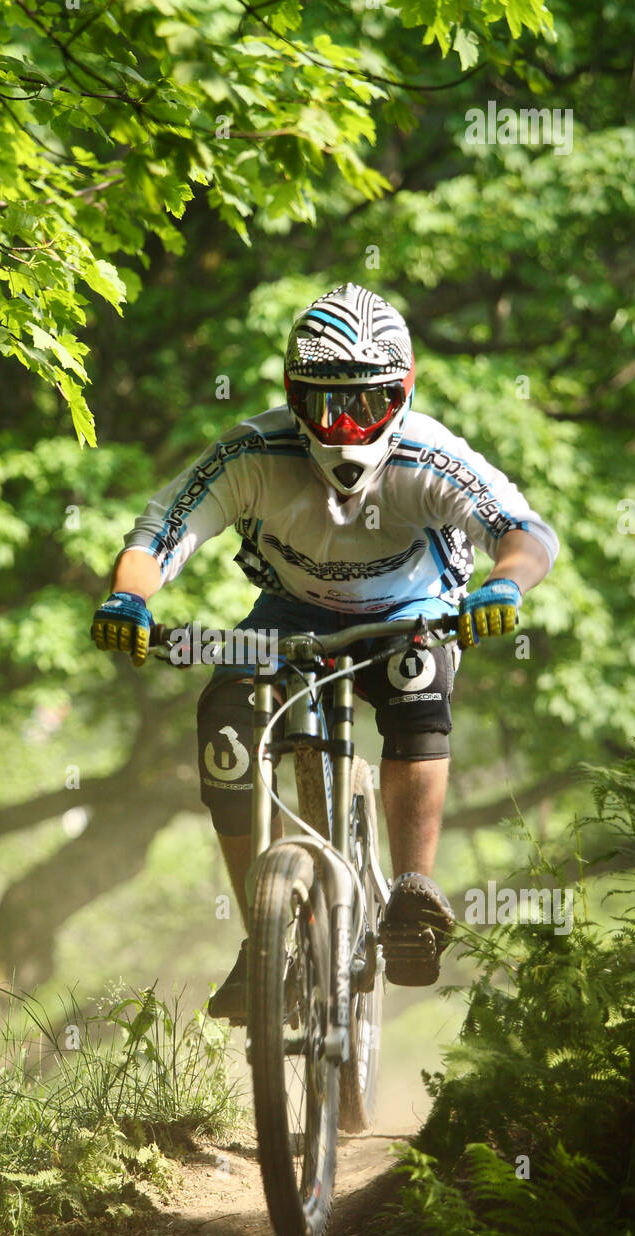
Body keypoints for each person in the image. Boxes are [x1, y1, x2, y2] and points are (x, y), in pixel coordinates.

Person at [91, 284, 559, 1022]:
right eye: (323, 406)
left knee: (417, 683)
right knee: (225, 722)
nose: (344, 429)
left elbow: (525, 532)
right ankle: (261, 935)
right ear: (290, 396)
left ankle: (412, 892)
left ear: (403, 394)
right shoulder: (255, 451)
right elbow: (162, 531)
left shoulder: (430, 457)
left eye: (366, 407)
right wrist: (131, 597)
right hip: (287, 615)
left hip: (411, 614)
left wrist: (504, 587)